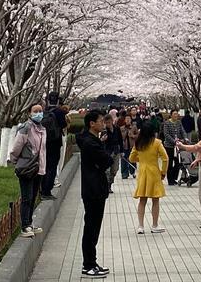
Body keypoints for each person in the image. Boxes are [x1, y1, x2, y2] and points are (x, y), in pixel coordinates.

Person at [76, 110, 114, 277]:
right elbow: (106, 160)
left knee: (94, 227)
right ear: (92, 123)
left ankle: (92, 262)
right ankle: (88, 265)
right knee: (91, 227)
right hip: (93, 189)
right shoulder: (90, 143)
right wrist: (105, 152)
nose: (103, 124)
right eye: (100, 121)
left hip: (95, 188)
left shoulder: (91, 140)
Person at [9, 102, 49, 238]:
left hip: (39, 168)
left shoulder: (42, 129)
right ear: (29, 113)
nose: (39, 113)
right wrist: (15, 161)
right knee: (27, 198)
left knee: (32, 198)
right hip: (27, 168)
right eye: (35, 111)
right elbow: (16, 148)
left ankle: (29, 223)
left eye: (40, 111)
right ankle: (24, 226)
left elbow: (42, 150)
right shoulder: (25, 128)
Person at [130, 119, 168, 234]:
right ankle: (154, 225)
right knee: (155, 200)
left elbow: (131, 158)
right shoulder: (157, 143)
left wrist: (140, 160)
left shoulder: (138, 143)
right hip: (154, 172)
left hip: (143, 172)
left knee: (142, 200)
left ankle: (140, 226)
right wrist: (163, 172)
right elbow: (165, 158)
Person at [41, 91, 66, 200]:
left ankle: (42, 189)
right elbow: (64, 125)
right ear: (58, 101)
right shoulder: (60, 112)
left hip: (43, 141)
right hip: (55, 142)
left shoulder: (43, 111)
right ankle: (47, 191)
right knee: (52, 166)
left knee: (44, 165)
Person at [161, 109, 183, 186]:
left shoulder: (179, 123)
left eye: (177, 114)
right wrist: (174, 141)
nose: (176, 115)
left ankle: (174, 178)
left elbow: (182, 131)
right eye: (174, 114)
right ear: (171, 115)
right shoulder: (166, 123)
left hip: (178, 146)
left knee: (178, 163)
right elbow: (166, 134)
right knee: (169, 163)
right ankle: (170, 180)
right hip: (169, 146)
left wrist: (183, 139)